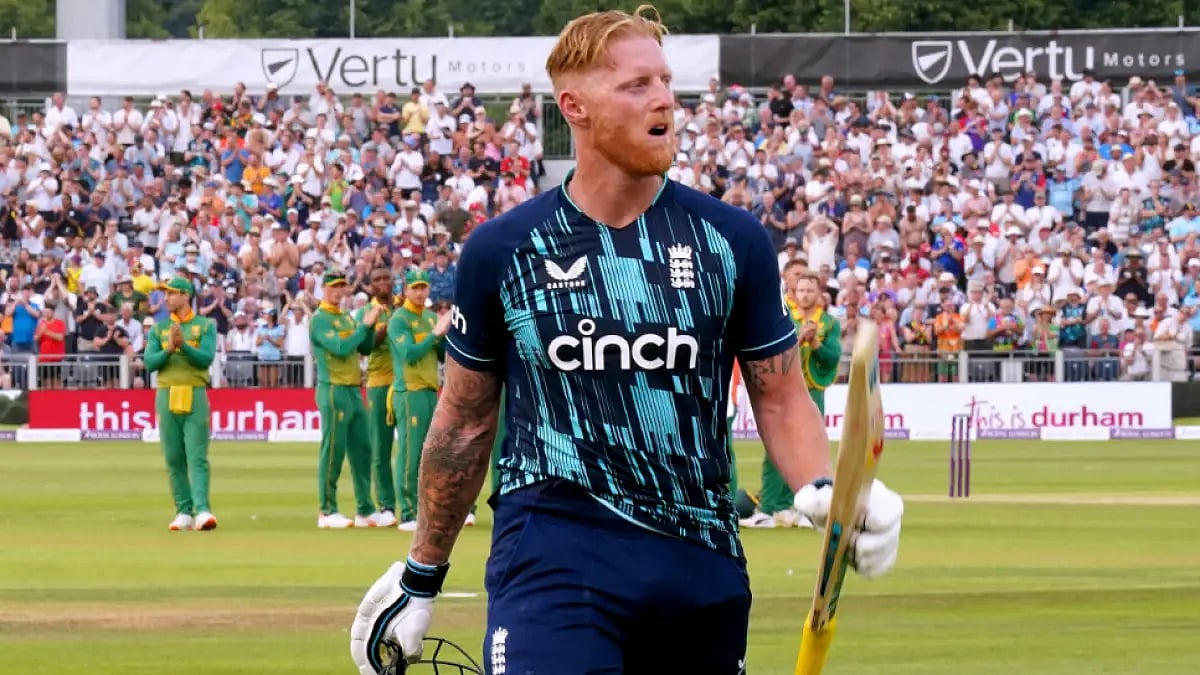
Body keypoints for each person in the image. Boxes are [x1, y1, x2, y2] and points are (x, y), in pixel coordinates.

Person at [350, 7, 904, 675]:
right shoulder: (505, 249)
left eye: (666, 81)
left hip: (699, 557)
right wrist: (421, 574)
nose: (664, 98)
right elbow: (464, 423)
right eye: (638, 85)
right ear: (574, 107)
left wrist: (825, 489)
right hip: (552, 548)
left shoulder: (732, 241)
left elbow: (781, 396)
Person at [743, 269, 842, 529]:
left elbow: (833, 358)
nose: (805, 295)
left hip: (813, 389)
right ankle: (770, 507)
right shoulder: (785, 318)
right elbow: (777, 349)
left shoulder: (829, 323)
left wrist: (816, 343)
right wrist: (801, 338)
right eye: (801, 290)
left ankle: (807, 510)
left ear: (819, 294)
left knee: (809, 447)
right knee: (777, 448)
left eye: (810, 290)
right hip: (784, 389)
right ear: (793, 293)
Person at [142, 276, 218, 531]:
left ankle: (203, 510)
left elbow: (206, 358)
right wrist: (169, 350)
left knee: (196, 455)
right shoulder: (158, 328)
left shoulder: (205, 325)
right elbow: (150, 362)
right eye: (166, 294)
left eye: (172, 293)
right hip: (166, 393)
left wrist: (183, 346)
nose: (167, 298)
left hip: (195, 392)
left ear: (186, 295)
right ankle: (183, 511)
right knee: (173, 456)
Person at [310, 271, 383, 529]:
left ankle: (365, 509)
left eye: (341, 286)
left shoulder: (345, 317)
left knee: (362, 449)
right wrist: (364, 326)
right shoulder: (320, 320)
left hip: (353, 389)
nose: (338, 291)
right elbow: (340, 348)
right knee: (333, 449)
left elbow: (365, 347)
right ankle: (327, 510)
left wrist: (370, 325)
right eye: (333, 286)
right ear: (323, 288)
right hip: (333, 389)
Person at [385, 269, 451, 531]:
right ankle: (408, 512)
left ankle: (426, 510)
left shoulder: (430, 317)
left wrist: (447, 335)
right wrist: (435, 334)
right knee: (410, 453)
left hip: (430, 391)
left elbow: (441, 355)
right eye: (415, 288)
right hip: (409, 392)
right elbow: (409, 354)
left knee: (431, 455)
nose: (420, 293)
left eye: (423, 287)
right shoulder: (399, 319)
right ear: (406, 291)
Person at [355, 268, 400, 528]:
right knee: (380, 448)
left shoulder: (403, 306)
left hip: (406, 384)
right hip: (379, 384)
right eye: (377, 280)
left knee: (413, 449)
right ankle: (386, 505)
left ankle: (413, 505)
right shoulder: (365, 312)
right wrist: (386, 326)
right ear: (370, 285)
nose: (383, 283)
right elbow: (366, 345)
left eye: (386, 278)